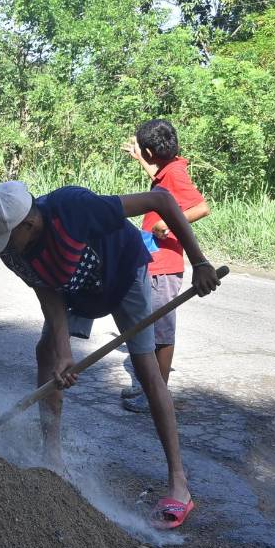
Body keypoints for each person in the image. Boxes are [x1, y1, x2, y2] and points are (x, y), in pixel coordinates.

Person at [0, 180, 220, 528]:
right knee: (47, 355)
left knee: (146, 369)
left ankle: (179, 484)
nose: (3, 246)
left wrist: (199, 262)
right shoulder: (11, 250)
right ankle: (52, 458)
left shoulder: (75, 209)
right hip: (75, 290)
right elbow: (48, 293)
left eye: (7, 237)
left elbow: (162, 200)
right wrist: (64, 352)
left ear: (28, 224)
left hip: (122, 275)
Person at [118, 119, 211, 412]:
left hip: (165, 264)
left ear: (150, 151)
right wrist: (141, 161)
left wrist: (167, 223)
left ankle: (156, 396)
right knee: (150, 326)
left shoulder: (175, 174)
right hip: (155, 261)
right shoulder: (168, 170)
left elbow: (201, 207)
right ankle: (150, 388)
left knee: (161, 330)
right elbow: (161, 183)